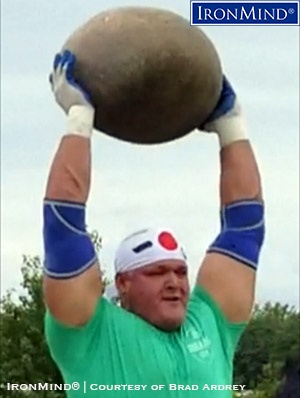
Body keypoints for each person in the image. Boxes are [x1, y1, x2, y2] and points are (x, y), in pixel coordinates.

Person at [43, 50, 265, 397]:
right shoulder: (90, 333)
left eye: (179, 271)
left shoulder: (210, 323)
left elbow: (246, 226)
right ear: (123, 284)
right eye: (157, 272)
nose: (174, 282)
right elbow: (63, 228)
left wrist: (232, 126)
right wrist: (79, 118)